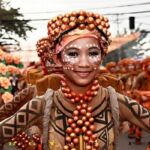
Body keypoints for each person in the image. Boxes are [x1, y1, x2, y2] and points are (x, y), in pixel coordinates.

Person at [0, 10, 150, 150]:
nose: (84, 63)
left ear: (102, 56)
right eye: (72, 54)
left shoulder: (116, 102)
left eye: (93, 53)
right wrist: (28, 142)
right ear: (57, 58)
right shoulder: (41, 104)